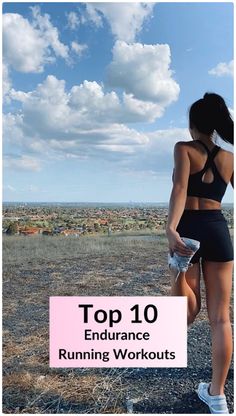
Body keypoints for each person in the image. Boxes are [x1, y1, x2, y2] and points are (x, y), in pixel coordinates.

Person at [166, 92, 234, 414]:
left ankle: (179, 268)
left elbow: (180, 189)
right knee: (221, 318)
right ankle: (217, 396)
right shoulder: (230, 158)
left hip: (190, 229)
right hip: (218, 229)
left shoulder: (184, 149)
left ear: (194, 124)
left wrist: (171, 228)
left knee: (188, 313)